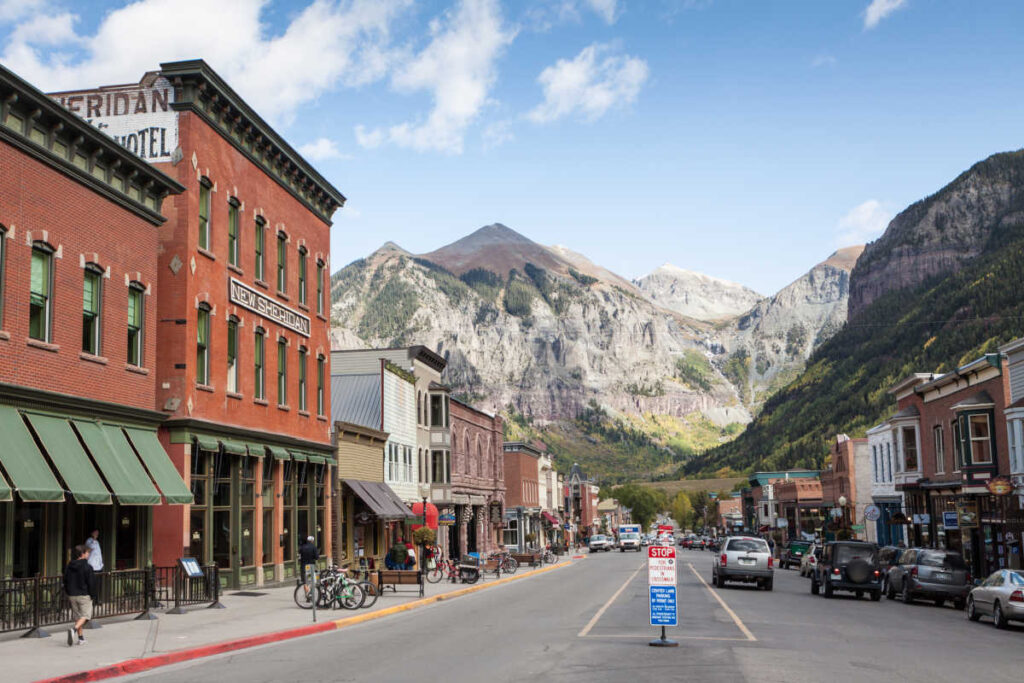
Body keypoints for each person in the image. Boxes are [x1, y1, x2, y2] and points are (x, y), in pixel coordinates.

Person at [64, 544, 97, 647]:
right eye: (87, 552)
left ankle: (81, 639)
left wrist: (68, 592)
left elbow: (65, 580)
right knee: (86, 616)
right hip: (84, 594)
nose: (88, 554)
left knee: (78, 617)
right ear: (82, 554)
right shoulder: (87, 567)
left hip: (72, 594)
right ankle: (73, 630)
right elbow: (91, 582)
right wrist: (93, 595)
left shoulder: (69, 565)